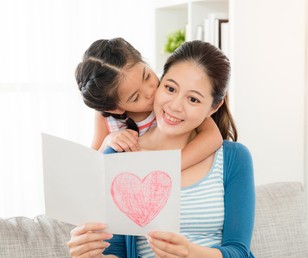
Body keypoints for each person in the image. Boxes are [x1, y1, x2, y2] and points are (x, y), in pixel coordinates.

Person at [67, 40, 256, 258]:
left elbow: (240, 254)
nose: (175, 106)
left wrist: (191, 254)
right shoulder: (120, 156)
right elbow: (117, 255)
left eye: (193, 99)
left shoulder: (234, 158)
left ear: (214, 107)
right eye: (170, 88)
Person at [75, 37, 222, 170]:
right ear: (116, 109)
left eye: (146, 76)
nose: (150, 91)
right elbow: (92, 166)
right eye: (135, 97)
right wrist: (108, 141)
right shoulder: (106, 117)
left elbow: (213, 137)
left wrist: (173, 166)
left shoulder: (170, 93)